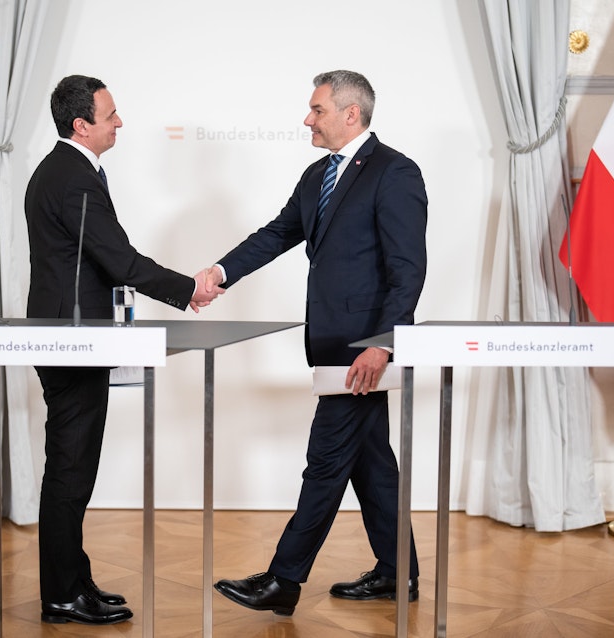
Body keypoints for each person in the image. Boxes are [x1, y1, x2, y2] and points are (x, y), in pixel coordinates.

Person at [205, 70, 427, 616]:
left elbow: (408, 269)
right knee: (372, 465)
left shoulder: (395, 172)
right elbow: (279, 233)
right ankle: (399, 574)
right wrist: (220, 271)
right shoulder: (316, 175)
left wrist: (385, 343)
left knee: (324, 462)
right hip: (326, 343)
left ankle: (283, 580)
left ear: (351, 114)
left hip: (362, 352)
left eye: (317, 109)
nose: (308, 118)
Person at [25, 74, 223, 625]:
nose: (120, 123)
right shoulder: (74, 178)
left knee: (74, 466)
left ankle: (73, 579)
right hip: (73, 339)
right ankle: (62, 595)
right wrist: (188, 289)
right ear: (81, 124)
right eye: (111, 115)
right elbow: (120, 260)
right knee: (70, 469)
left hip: (69, 334)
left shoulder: (60, 171)